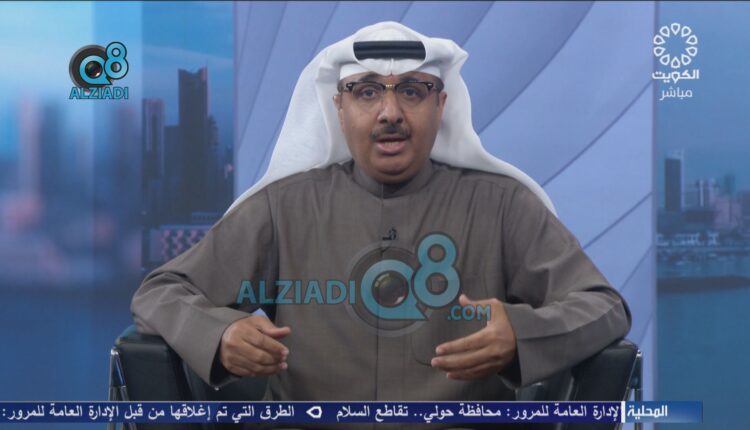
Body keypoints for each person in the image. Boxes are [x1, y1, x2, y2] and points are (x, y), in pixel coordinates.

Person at [131, 21, 630, 428]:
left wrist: (522, 336)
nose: (390, 112)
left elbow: (602, 306)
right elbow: (160, 293)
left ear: (441, 104)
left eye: (412, 91)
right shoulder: (282, 207)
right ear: (339, 106)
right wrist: (220, 334)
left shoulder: (503, 206)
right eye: (367, 92)